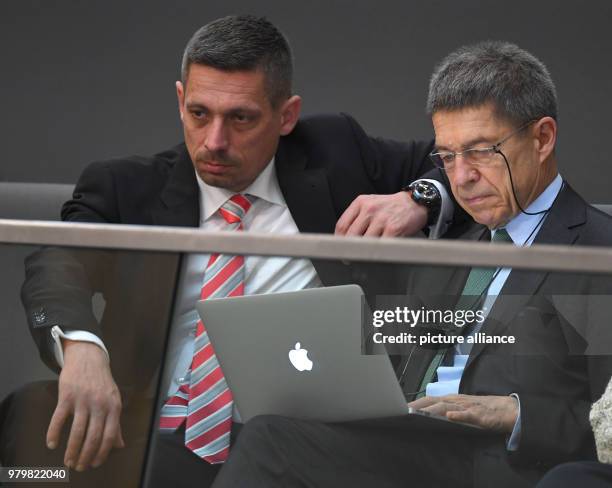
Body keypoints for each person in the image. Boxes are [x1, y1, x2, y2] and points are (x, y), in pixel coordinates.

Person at [4, 14, 455, 488]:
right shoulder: (126, 186)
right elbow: (58, 259)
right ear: (180, 101)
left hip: (296, 441)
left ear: (287, 115)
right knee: (29, 419)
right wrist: (82, 349)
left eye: (241, 118)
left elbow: (463, 158)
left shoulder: (336, 152)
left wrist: (418, 199)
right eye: (199, 113)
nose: (215, 142)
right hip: (154, 429)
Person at [211, 41, 612, 488]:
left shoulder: (596, 253)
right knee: (265, 431)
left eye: (481, 151)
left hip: (502, 465)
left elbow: (607, 430)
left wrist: (516, 415)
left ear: (542, 139)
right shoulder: (449, 246)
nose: (461, 177)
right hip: (410, 446)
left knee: (269, 443)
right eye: (448, 156)